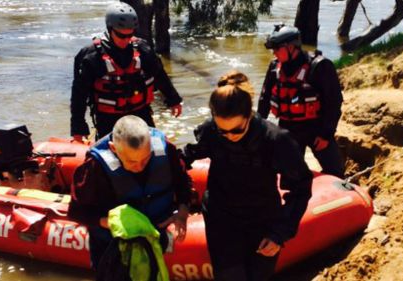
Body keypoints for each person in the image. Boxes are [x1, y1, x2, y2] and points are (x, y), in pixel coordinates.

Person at [183, 70, 313, 281]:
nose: (229, 137)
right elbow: (186, 156)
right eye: (222, 131)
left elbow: (300, 188)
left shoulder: (276, 140)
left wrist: (279, 234)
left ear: (249, 116)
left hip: (262, 220)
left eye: (235, 130)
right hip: (221, 218)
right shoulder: (210, 131)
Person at [68, 115, 191, 278]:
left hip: (154, 237)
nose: (139, 167)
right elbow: (75, 212)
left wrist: (182, 213)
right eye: (132, 162)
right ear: (113, 149)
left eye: (146, 159)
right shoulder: (94, 167)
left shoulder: (165, 149)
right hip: (112, 249)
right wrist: (109, 223)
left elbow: (183, 182)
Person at [70, 2, 182, 141]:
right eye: (121, 36)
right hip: (107, 119)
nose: (126, 40)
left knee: (151, 150)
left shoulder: (142, 49)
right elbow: (79, 95)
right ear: (110, 29)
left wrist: (173, 100)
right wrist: (78, 128)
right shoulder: (91, 56)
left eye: (130, 35)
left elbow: (159, 75)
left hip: (140, 113)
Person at [258, 24, 345, 178]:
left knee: (335, 170)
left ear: (292, 47)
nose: (274, 52)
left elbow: (334, 103)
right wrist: (256, 127)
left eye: (277, 48)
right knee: (288, 174)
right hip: (288, 129)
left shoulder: (319, 67)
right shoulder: (274, 67)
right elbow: (264, 100)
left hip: (317, 128)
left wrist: (326, 134)